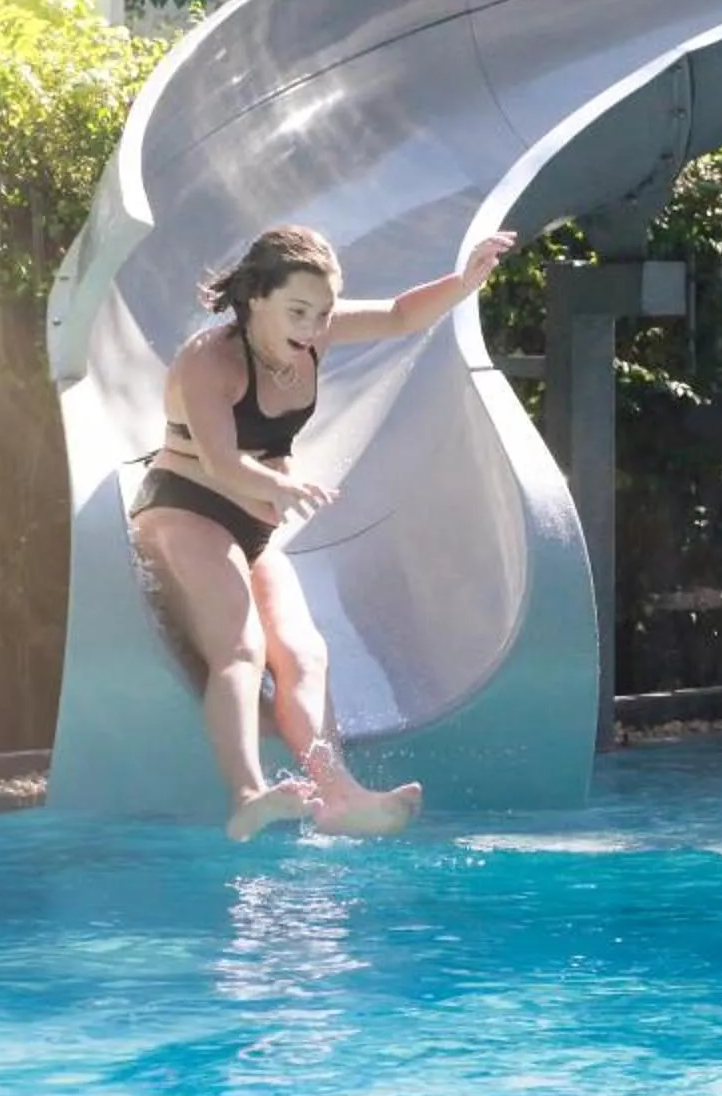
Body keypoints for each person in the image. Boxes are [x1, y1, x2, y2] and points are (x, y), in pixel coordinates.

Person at [128, 222, 516, 841]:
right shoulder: (210, 361)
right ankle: (249, 795)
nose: (311, 327)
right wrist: (280, 487)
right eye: (298, 310)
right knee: (241, 646)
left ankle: (339, 795)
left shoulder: (315, 335)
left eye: (323, 313)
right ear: (256, 297)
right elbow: (222, 462)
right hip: (186, 509)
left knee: (306, 653)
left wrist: (464, 281)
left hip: (253, 526)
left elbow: (397, 315)